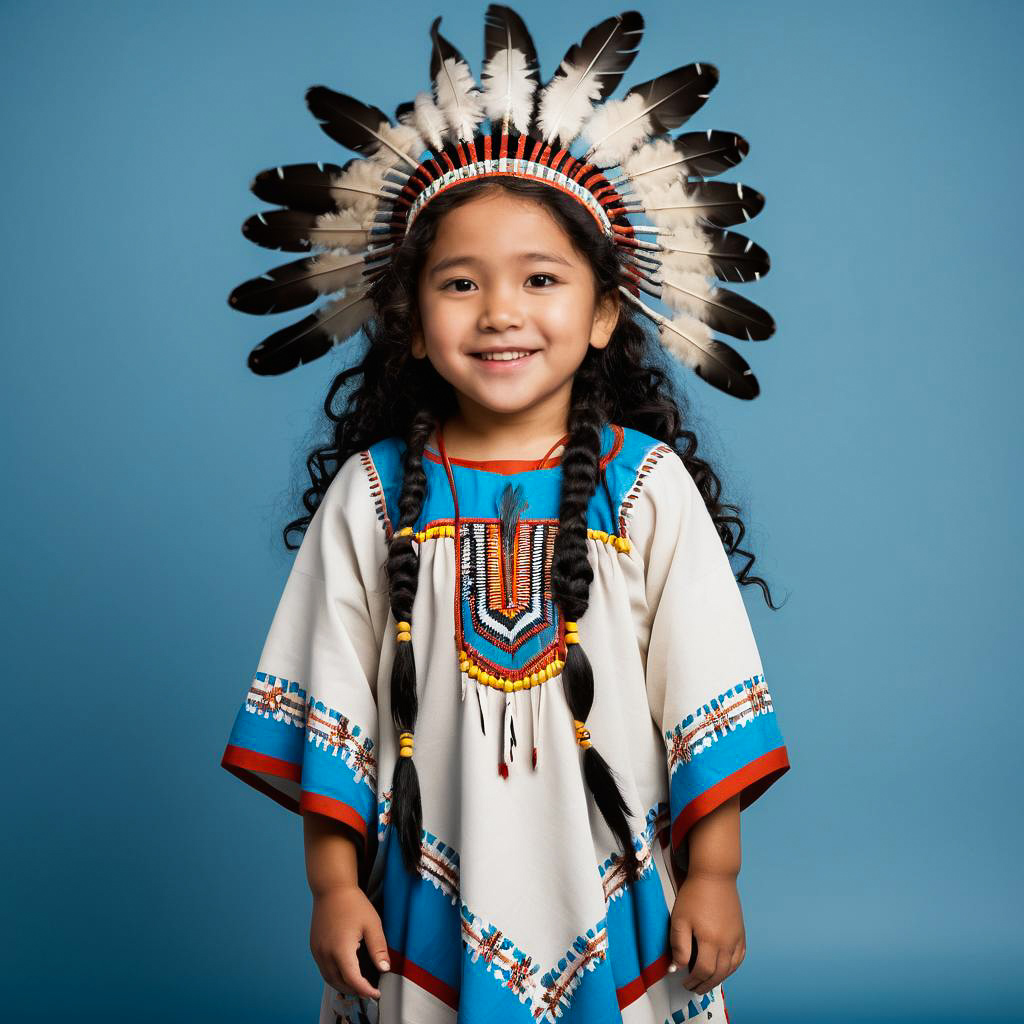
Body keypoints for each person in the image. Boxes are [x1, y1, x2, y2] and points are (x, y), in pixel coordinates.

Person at [220, 9, 790, 1023]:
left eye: (540, 278)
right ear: (406, 317)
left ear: (606, 312)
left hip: (615, 892)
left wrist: (714, 875)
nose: (498, 311)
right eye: (457, 282)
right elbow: (333, 712)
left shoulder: (647, 488)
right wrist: (334, 887)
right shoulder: (372, 496)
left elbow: (701, 690)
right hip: (420, 902)